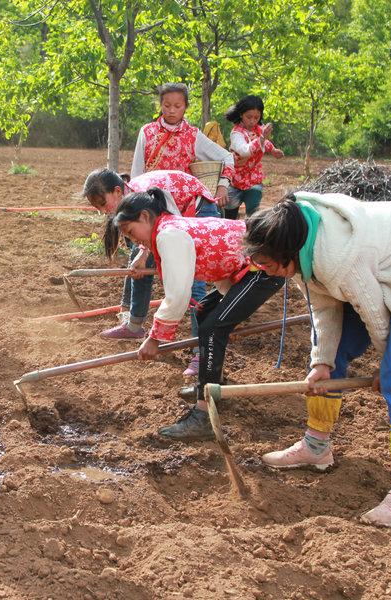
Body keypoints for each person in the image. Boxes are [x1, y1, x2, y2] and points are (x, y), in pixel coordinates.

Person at [244, 192, 391, 527]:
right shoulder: (303, 245)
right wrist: (322, 361)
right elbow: (324, 307)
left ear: (287, 253)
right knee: (329, 359)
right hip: (381, 271)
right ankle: (317, 445)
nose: (266, 271)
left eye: (268, 264)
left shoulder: (338, 257)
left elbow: (375, 315)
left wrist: (387, 365)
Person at [104, 189, 285, 441]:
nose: (136, 242)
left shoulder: (169, 234)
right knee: (204, 313)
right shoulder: (166, 229)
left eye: (132, 232)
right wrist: (228, 313)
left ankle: (203, 414)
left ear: (145, 217)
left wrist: (154, 338)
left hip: (263, 268)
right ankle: (212, 385)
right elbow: (219, 261)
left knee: (212, 328)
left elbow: (177, 294)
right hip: (243, 272)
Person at [130, 82, 235, 377]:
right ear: (160, 105)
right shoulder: (147, 132)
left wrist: (223, 184)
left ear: (186, 107)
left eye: (177, 106)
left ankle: (199, 350)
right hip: (152, 212)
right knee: (139, 264)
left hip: (187, 213)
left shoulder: (193, 135)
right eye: (167, 106)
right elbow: (138, 171)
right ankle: (134, 324)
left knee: (195, 282)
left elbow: (226, 157)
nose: (172, 111)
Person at [83, 168, 216, 342]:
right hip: (173, 218)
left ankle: (202, 345)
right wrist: (143, 254)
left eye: (103, 203)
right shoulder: (129, 202)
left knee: (193, 278)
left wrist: (147, 254)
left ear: (117, 191)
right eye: (97, 208)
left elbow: (170, 226)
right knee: (138, 261)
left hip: (197, 208)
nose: (102, 211)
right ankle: (134, 326)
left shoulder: (143, 195)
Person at [224, 95, 284, 220]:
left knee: (254, 203)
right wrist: (261, 139)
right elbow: (244, 151)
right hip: (235, 179)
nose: (252, 121)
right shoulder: (236, 133)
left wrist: (273, 150)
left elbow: (265, 143)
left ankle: (251, 226)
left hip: (253, 178)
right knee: (230, 210)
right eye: (249, 117)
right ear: (241, 114)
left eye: (256, 117)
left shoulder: (258, 130)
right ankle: (231, 226)